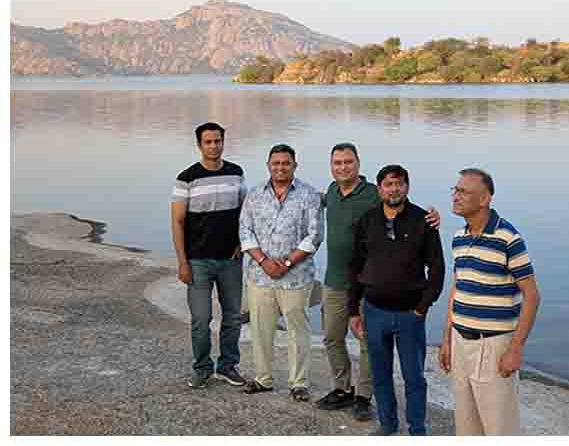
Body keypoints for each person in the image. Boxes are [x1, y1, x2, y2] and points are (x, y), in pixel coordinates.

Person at [315, 143, 440, 422]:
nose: (343, 167)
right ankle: (342, 388)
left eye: (348, 162)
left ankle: (363, 396)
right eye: (337, 163)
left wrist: (431, 218)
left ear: (358, 164)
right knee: (332, 337)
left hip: (367, 281)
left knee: (366, 341)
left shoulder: (373, 193)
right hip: (334, 279)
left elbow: (398, 204)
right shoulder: (332, 192)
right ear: (331, 166)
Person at [438, 168, 541, 436]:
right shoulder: (459, 238)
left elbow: (532, 295)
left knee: (499, 429)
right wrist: (447, 338)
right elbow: (457, 288)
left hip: (493, 346)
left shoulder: (508, 238)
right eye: (455, 190)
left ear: (484, 199)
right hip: (460, 343)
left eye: (463, 192)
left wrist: (515, 349)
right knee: (466, 427)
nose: (455, 196)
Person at [348, 165, 445, 436]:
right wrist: (353, 310)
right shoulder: (367, 221)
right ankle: (388, 425)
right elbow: (354, 267)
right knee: (380, 374)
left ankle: (417, 430)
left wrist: (423, 306)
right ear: (379, 189)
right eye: (388, 184)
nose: (394, 189)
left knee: (414, 377)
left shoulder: (423, 221)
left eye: (399, 184)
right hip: (374, 311)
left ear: (407, 187)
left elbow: (437, 268)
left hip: (410, 314)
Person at [238, 144, 323, 402]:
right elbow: (245, 231)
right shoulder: (254, 195)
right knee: (260, 329)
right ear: (268, 166)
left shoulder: (309, 195)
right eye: (276, 163)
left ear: (295, 165)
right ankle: (263, 379)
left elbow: (314, 236)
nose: (281, 167)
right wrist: (264, 261)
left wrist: (286, 263)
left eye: (286, 163)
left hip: (296, 277)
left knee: (298, 331)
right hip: (259, 276)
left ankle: (299, 383)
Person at [170, 122, 247, 390]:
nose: (213, 146)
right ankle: (202, 368)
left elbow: (244, 214)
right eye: (208, 142)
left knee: (233, 316)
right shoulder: (186, 178)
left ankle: (227, 366)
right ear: (199, 145)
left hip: (230, 260)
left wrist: (242, 243)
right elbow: (177, 222)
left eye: (217, 141)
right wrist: (182, 262)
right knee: (201, 319)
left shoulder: (236, 173)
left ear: (223, 142)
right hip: (198, 261)